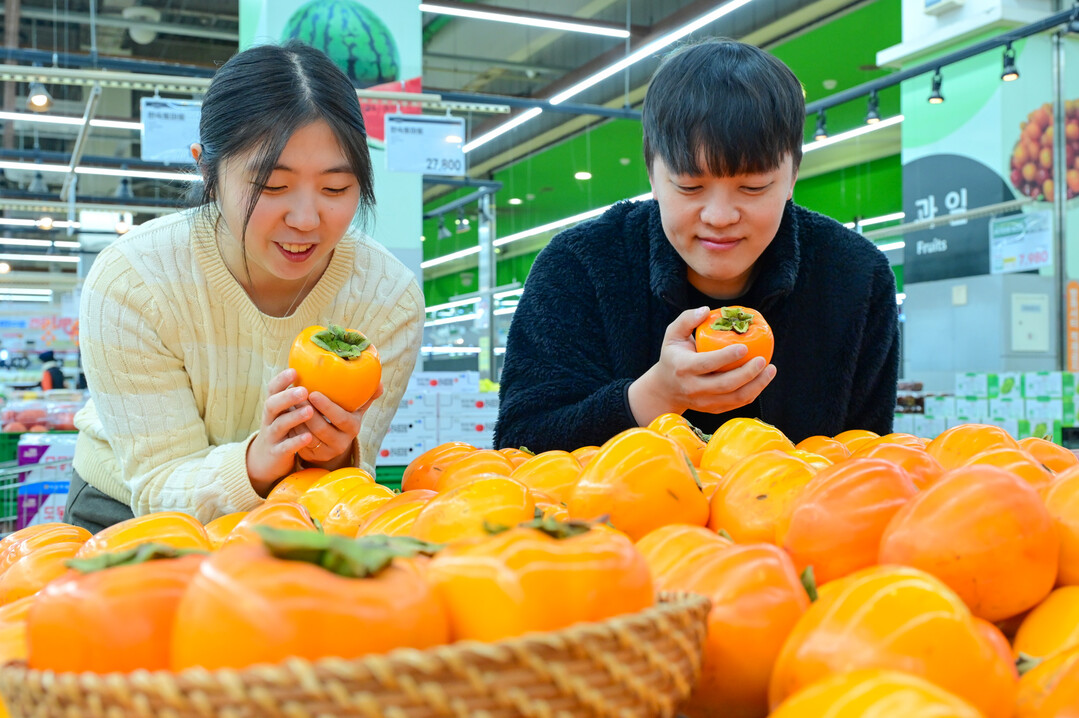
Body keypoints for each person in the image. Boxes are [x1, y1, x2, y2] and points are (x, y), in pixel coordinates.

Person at [66, 41, 424, 533]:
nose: (305, 220)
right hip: (126, 510)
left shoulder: (387, 298)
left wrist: (337, 451)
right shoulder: (133, 280)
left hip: (297, 513)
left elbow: (345, 483)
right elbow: (157, 481)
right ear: (207, 170)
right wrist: (256, 461)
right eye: (271, 186)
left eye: (336, 189)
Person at [495, 38, 899, 452]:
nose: (719, 217)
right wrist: (656, 395)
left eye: (753, 186)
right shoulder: (578, 266)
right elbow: (520, 442)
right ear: (652, 174)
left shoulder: (856, 277)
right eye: (690, 186)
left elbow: (867, 459)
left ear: (793, 174)